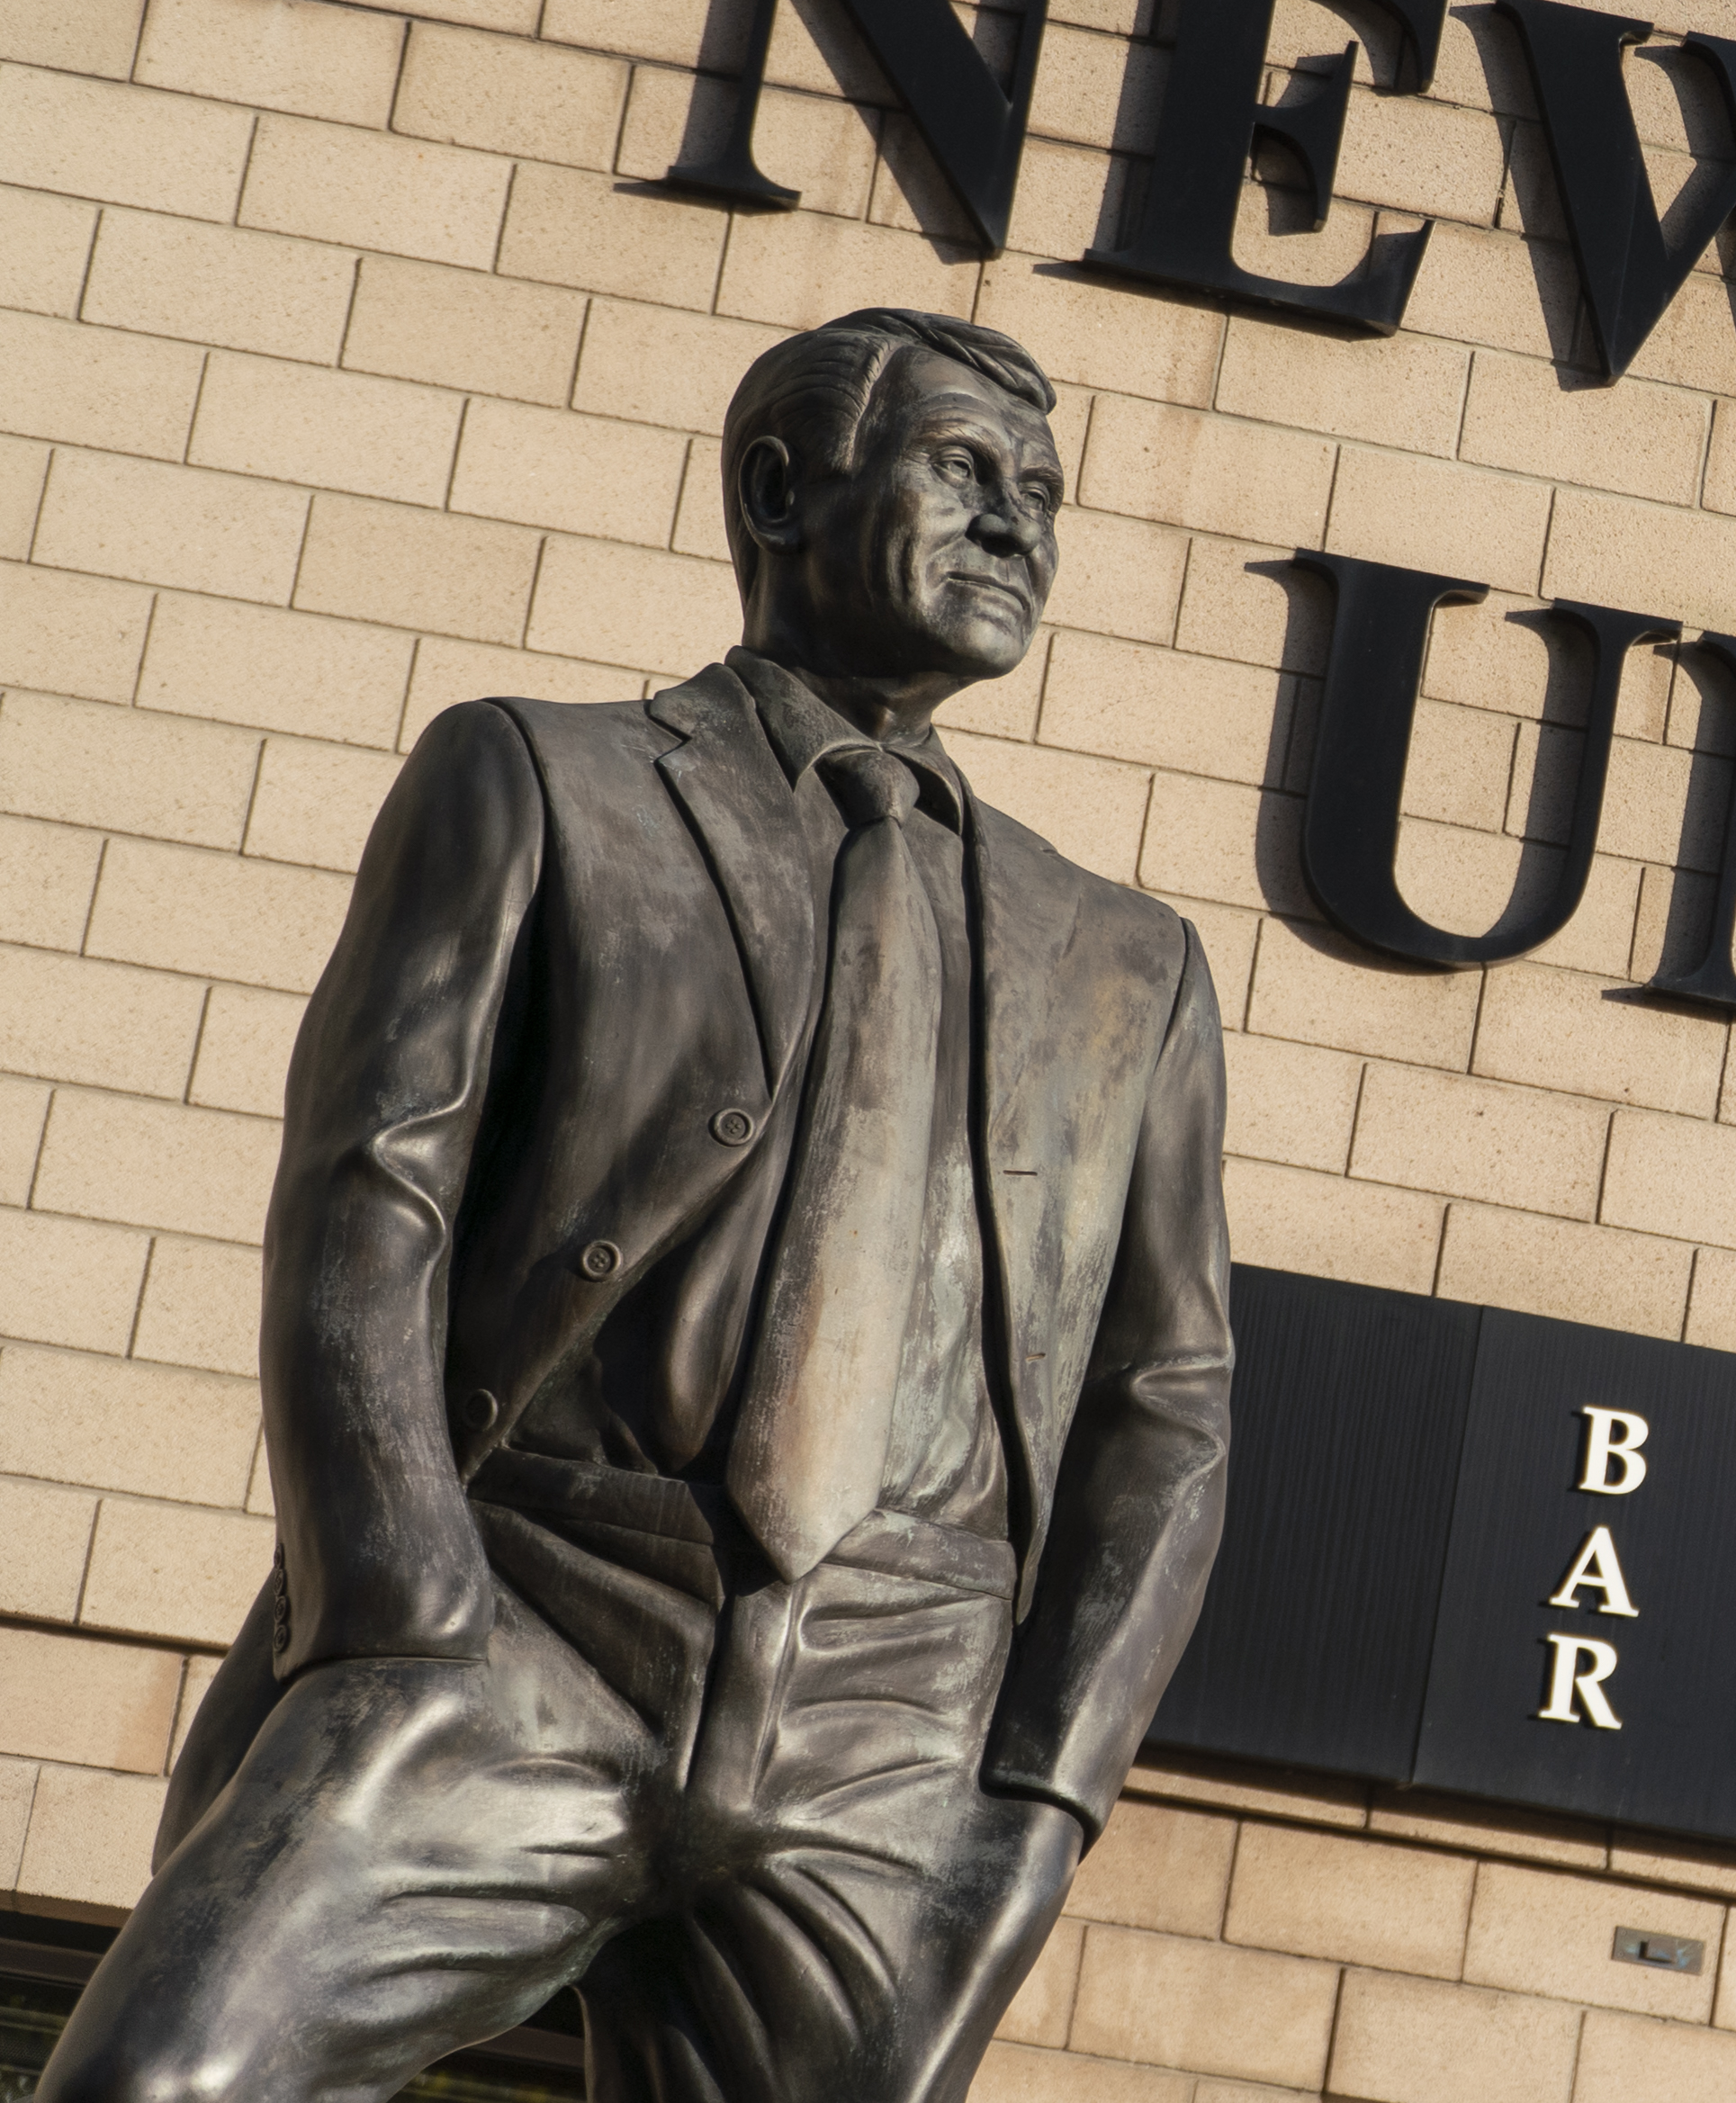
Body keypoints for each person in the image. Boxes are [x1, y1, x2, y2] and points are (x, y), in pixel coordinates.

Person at [46, 308, 1234, 2103]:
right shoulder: (542, 779)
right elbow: (369, 1197)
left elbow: (1166, 1406)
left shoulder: (1128, 966)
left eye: (1046, 497)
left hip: (889, 1731)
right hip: (530, 1610)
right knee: (164, 2079)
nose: (1019, 528)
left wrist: (1037, 1799)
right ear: (779, 488)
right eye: (964, 472)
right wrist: (400, 1595)